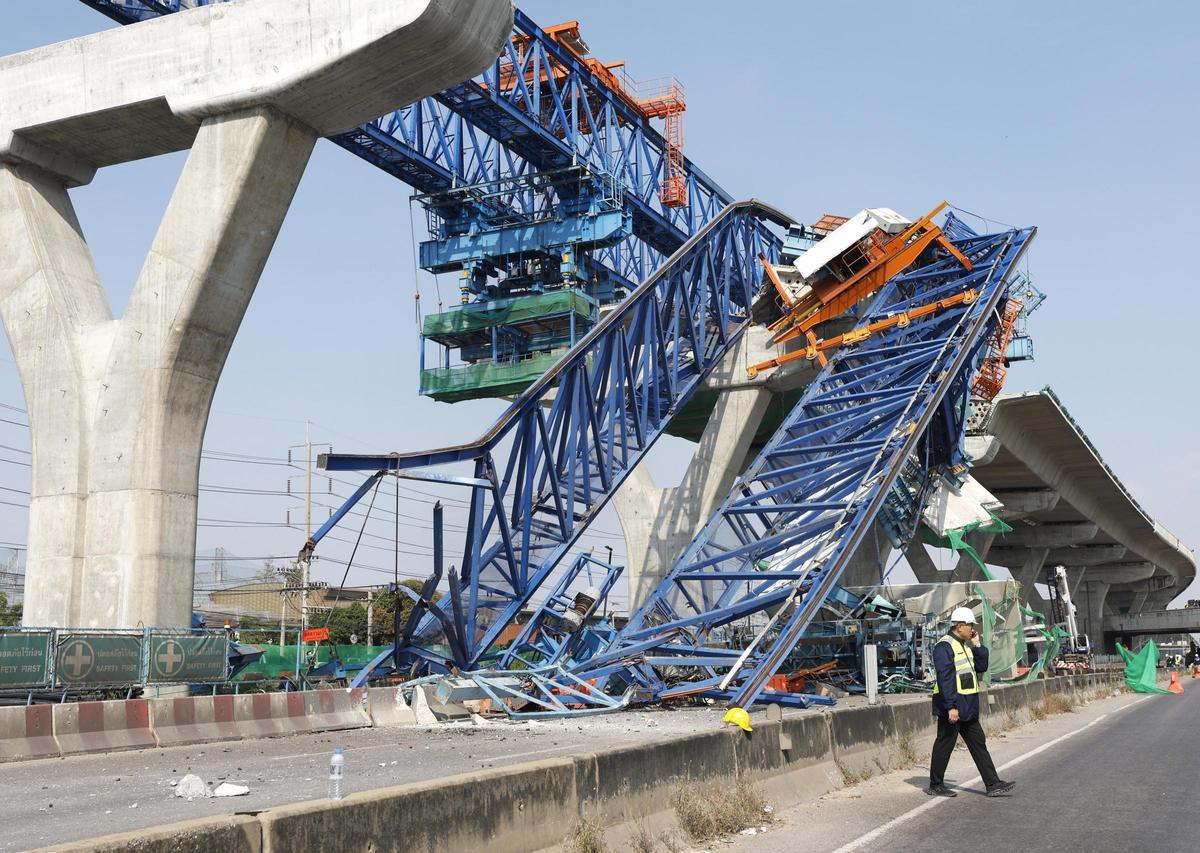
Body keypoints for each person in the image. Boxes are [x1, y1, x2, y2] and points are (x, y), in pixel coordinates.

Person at [927, 607, 1015, 798]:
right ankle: (935, 784)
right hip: (952, 705)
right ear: (959, 626)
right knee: (945, 744)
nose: (973, 629)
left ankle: (993, 784)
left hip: (968, 705)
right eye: (970, 625)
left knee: (978, 743)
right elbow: (946, 678)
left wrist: (977, 645)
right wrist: (951, 706)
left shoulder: (966, 645)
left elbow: (981, 667)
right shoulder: (944, 646)